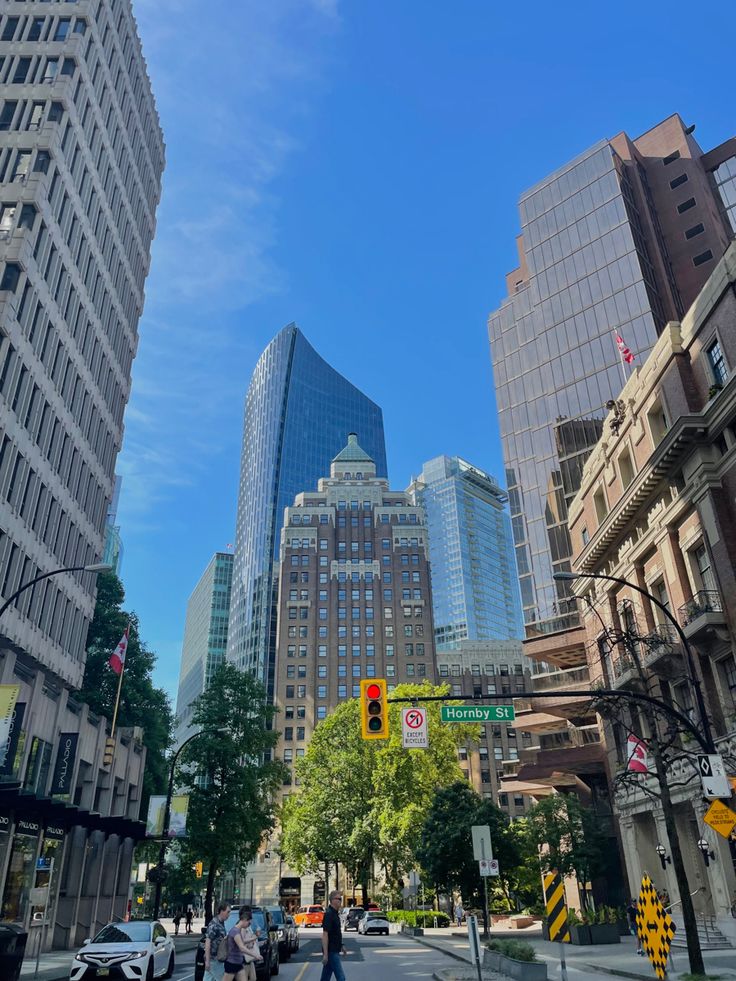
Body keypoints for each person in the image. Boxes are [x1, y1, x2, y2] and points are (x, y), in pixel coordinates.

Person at [223, 906, 261, 981]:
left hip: (238, 963)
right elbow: (242, 947)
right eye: (248, 922)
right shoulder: (235, 931)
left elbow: (242, 943)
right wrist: (255, 955)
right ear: (244, 920)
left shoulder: (237, 930)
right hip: (232, 963)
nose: (248, 925)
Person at [321, 890, 348, 981]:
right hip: (331, 951)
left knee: (325, 978)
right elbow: (325, 934)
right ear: (332, 900)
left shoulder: (335, 914)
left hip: (335, 949)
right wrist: (325, 954)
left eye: (341, 899)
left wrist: (341, 945)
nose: (340, 901)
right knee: (341, 978)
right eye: (338, 899)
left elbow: (336, 934)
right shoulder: (329, 914)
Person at [204, 901, 231, 981]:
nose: (229, 915)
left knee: (208, 979)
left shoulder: (221, 923)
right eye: (228, 912)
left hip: (215, 959)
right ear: (222, 911)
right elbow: (208, 942)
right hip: (214, 960)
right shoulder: (214, 924)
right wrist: (208, 961)